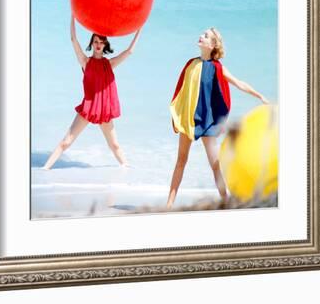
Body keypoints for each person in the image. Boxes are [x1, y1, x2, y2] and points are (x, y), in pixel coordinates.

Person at [166, 27, 269, 208]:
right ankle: (168, 205)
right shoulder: (191, 64)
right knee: (181, 161)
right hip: (189, 121)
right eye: (202, 34)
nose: (201, 36)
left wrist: (259, 96)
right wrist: (179, 114)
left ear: (213, 45)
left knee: (215, 164)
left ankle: (226, 201)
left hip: (207, 122)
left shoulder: (217, 67)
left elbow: (238, 83)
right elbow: (183, 92)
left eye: (205, 36)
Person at [41, 14, 142, 170]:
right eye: (95, 41)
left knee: (114, 145)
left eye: (101, 42)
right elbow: (74, 40)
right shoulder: (85, 62)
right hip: (88, 108)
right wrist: (73, 16)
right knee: (66, 142)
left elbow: (129, 51)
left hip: (104, 111)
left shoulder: (109, 63)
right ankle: (44, 169)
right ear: (92, 43)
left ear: (105, 45)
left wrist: (139, 28)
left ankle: (127, 169)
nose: (98, 44)